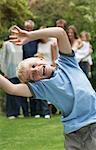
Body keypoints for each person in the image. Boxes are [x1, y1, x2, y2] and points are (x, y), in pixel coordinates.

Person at [0, 26, 96, 150]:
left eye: (34, 65)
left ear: (41, 59)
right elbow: (11, 88)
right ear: (35, 82)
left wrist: (30, 35)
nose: (36, 70)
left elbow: (60, 33)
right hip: (73, 133)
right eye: (33, 75)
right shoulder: (41, 88)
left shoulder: (67, 62)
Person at [1, 38, 29, 118]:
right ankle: (11, 113)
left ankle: (24, 112)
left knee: (21, 92)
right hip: (10, 71)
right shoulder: (7, 44)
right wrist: (4, 71)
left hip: (20, 72)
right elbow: (2, 58)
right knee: (10, 92)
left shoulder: (21, 44)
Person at [23, 20, 39, 117]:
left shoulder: (35, 39)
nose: (28, 29)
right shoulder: (23, 38)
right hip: (24, 66)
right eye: (26, 27)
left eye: (29, 28)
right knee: (24, 89)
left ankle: (35, 111)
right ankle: (26, 113)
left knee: (34, 89)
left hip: (34, 66)